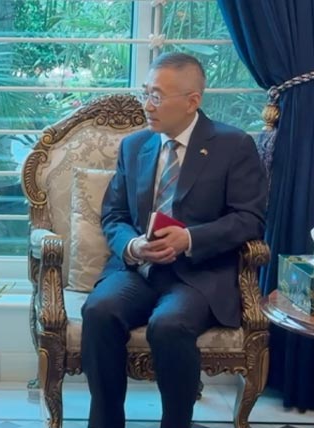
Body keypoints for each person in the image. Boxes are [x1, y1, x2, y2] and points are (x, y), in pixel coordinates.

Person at [80, 52, 267, 428]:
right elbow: (114, 215)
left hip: (198, 276)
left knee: (169, 325)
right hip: (138, 270)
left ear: (192, 100)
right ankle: (105, 421)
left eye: (157, 96)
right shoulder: (135, 146)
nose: (147, 105)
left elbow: (250, 219)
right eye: (146, 93)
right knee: (98, 311)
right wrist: (132, 246)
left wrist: (189, 238)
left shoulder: (233, 145)